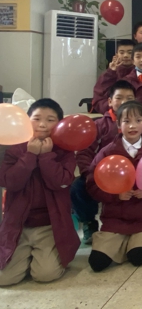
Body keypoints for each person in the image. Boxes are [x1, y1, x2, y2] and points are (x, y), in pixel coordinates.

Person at [0, 99, 80, 286]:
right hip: (19, 224)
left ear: (59, 124)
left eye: (50, 120)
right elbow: (10, 182)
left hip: (50, 225)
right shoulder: (16, 149)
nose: (42, 124)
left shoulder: (64, 151)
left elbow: (60, 182)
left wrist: (45, 156)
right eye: (36, 119)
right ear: (27, 121)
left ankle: (41, 256)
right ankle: (27, 255)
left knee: (45, 274)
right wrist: (29, 155)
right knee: (4, 278)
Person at [86, 101, 142, 272]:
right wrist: (115, 196)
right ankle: (120, 242)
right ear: (118, 124)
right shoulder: (107, 152)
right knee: (97, 263)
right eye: (126, 121)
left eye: (138, 120)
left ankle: (134, 243)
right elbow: (92, 183)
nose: (132, 126)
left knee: (137, 257)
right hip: (114, 219)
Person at [74, 80, 136, 244]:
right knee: (77, 188)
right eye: (119, 98)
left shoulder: (140, 124)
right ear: (109, 101)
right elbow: (84, 152)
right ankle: (89, 222)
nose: (124, 102)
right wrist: (90, 174)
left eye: (129, 98)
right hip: (101, 175)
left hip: (130, 175)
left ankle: (138, 221)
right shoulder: (99, 125)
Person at [92, 39, 135, 114]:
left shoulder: (141, 73)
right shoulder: (109, 74)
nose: (126, 55)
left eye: (130, 52)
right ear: (116, 55)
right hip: (111, 115)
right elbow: (98, 100)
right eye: (122, 52)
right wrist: (115, 108)